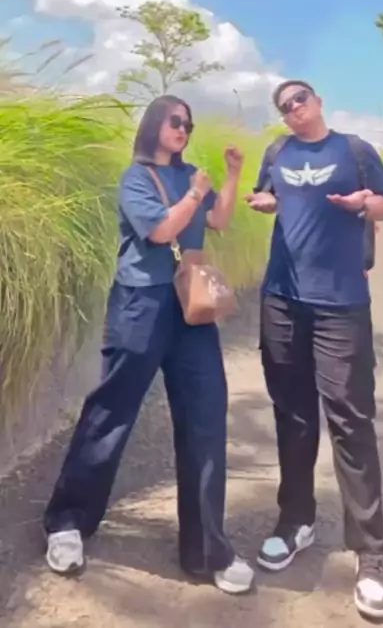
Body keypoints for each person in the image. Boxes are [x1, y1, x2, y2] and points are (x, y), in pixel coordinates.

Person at [44, 95, 255, 595]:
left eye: (189, 123)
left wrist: (229, 176)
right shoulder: (136, 178)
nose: (184, 129)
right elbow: (161, 231)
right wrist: (194, 194)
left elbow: (219, 221)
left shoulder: (192, 176)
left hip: (191, 308)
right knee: (112, 410)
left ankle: (207, 550)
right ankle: (67, 523)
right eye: (175, 121)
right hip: (141, 304)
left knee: (206, 416)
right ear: (155, 124)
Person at [245, 80, 383, 620]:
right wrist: (265, 202)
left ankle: (371, 554)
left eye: (300, 100)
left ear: (317, 102)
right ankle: (296, 521)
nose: (293, 109)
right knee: (292, 416)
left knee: (351, 421)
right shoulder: (277, 153)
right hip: (282, 301)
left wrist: (365, 203)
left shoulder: (354, 150)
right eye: (284, 106)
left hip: (341, 304)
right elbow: (270, 198)